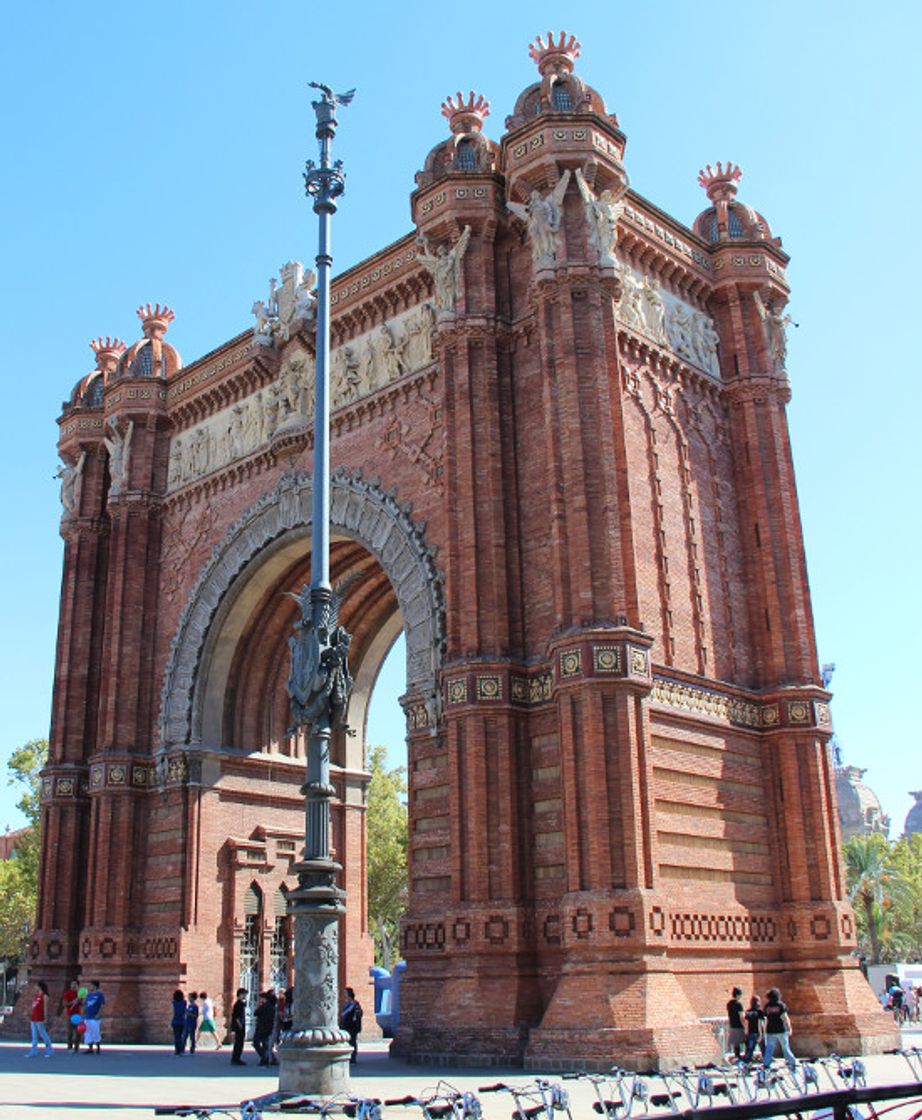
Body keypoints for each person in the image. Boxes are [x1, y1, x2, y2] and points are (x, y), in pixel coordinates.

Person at [762, 987, 796, 1070]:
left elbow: (765, 1019)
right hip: (781, 1030)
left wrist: (764, 1031)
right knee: (785, 1047)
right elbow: (785, 1017)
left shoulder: (767, 1006)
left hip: (770, 1030)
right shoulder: (781, 1005)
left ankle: (766, 1063)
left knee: (769, 1048)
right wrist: (789, 1028)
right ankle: (792, 1062)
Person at [26, 980, 53, 1058]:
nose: (35, 987)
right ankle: (34, 1050)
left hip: (40, 1017)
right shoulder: (36, 996)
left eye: (36, 986)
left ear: (40, 987)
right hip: (33, 1017)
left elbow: (45, 1007)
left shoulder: (44, 996)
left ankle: (49, 1049)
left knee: (43, 1033)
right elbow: (33, 1007)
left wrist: (45, 1017)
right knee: (34, 1034)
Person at [253, 990, 277, 1067]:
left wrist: (258, 1005)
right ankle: (265, 1059)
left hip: (261, 1027)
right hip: (268, 1027)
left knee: (258, 1043)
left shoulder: (264, 1006)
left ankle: (264, 1059)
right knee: (265, 1044)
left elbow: (255, 1013)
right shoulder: (272, 1007)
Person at [339, 986, 363, 1065]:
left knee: (352, 1042)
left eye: (345, 993)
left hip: (352, 1026)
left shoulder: (353, 1004)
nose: (343, 994)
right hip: (346, 1025)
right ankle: (349, 1057)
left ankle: (353, 1058)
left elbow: (344, 1013)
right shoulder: (347, 1003)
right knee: (348, 1042)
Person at [82, 980, 105, 1055]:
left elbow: (102, 1005)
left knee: (95, 1032)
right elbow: (84, 1004)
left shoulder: (99, 994)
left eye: (91, 985)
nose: (89, 987)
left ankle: (98, 1047)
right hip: (87, 1016)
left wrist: (99, 1013)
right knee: (87, 1032)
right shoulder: (88, 995)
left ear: (95, 986)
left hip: (95, 1017)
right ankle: (90, 1048)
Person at [59, 979, 82, 1052]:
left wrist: (80, 1000)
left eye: (75, 984)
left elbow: (83, 1003)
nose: (73, 986)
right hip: (70, 1014)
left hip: (78, 1014)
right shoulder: (67, 994)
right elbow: (65, 1004)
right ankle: (69, 1046)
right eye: (72, 984)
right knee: (70, 1032)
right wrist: (72, 1002)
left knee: (78, 1031)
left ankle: (77, 1047)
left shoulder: (79, 994)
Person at [742, 994, 764, 1065]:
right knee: (764, 1049)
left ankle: (746, 1065)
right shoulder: (759, 1012)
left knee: (749, 1051)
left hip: (750, 1033)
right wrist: (761, 1034)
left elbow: (746, 1023)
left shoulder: (748, 1012)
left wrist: (746, 1033)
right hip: (757, 1032)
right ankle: (767, 1064)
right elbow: (760, 1024)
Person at [726, 986, 745, 1060]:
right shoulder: (739, 1004)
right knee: (744, 1042)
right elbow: (742, 1016)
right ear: (738, 995)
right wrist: (745, 1026)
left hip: (732, 1025)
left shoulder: (729, 1004)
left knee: (736, 1044)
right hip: (739, 1026)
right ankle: (742, 1057)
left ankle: (737, 1056)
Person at [230, 988, 248, 1065]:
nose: (245, 996)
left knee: (239, 1043)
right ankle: (236, 1058)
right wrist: (240, 1025)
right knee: (239, 1043)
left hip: (240, 1025)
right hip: (239, 1026)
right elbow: (236, 1016)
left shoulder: (240, 1003)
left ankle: (236, 1058)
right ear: (240, 994)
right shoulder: (238, 1004)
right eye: (243, 994)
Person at [171, 990, 187, 1055]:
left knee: (176, 1036)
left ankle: (177, 1050)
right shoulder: (184, 1002)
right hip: (182, 1021)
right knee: (181, 1036)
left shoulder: (174, 1002)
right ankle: (181, 1049)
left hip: (175, 1021)